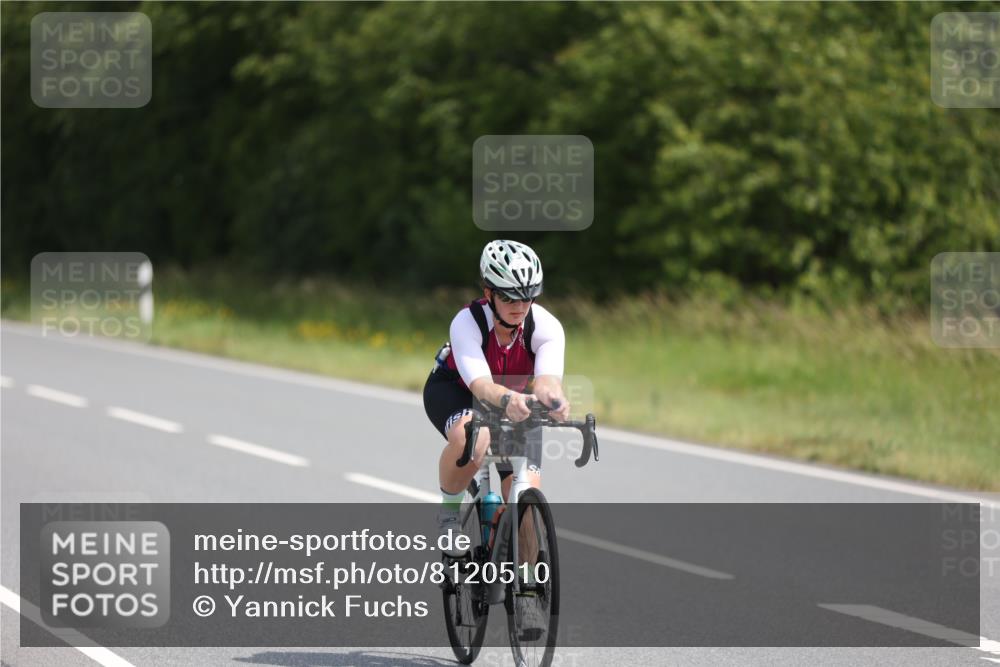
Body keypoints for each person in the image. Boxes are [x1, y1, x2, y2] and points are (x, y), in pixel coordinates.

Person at [423, 240, 570, 557]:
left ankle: (528, 589)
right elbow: (481, 386)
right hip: (457, 391)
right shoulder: (468, 322)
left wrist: (554, 401)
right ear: (488, 293)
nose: (519, 306)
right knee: (474, 439)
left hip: (512, 399)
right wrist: (508, 400)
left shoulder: (546, 326)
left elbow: (546, 381)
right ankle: (449, 515)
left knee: (525, 501)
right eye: (508, 297)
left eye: (527, 297)